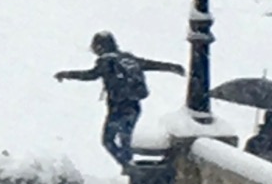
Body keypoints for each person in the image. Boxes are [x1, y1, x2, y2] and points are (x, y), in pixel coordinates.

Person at [54, 31, 185, 169]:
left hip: (118, 107)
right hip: (134, 106)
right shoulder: (128, 59)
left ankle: (129, 167)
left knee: (108, 140)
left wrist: (67, 74)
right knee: (125, 139)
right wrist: (172, 67)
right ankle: (131, 167)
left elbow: (90, 75)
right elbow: (151, 64)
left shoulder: (106, 61)